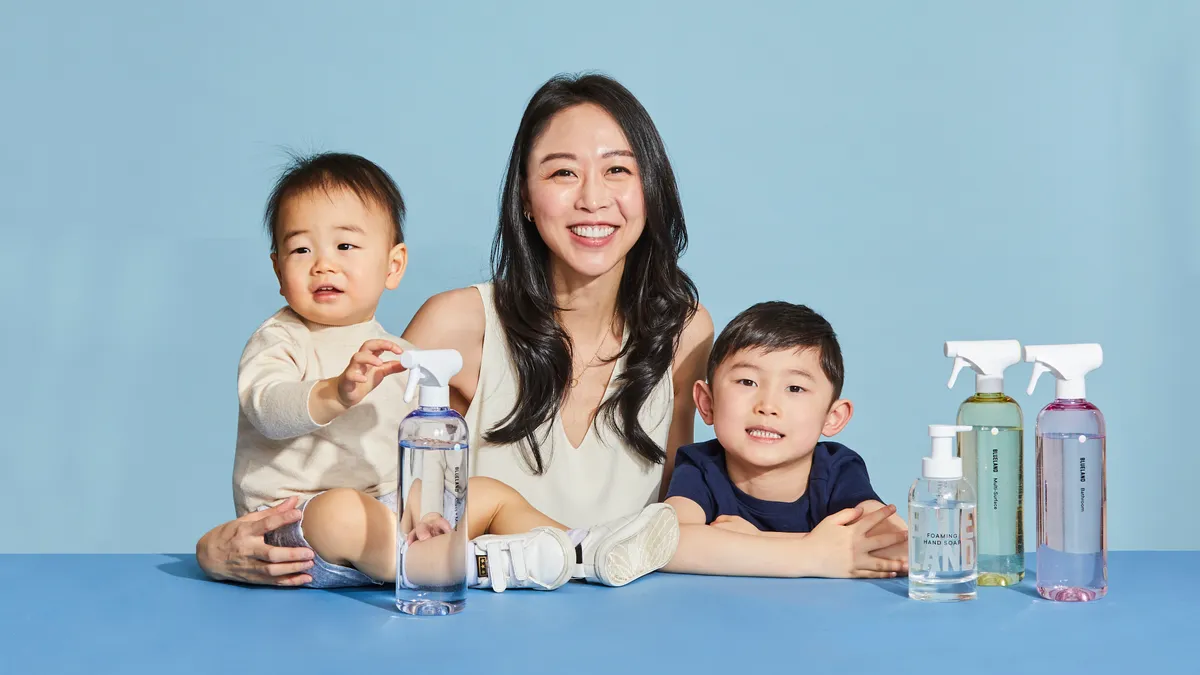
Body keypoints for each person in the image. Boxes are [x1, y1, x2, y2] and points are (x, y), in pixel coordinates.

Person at [196, 73, 711, 587]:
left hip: (617, 623)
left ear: (652, 187)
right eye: (562, 174)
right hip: (466, 620)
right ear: (525, 199)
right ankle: (501, 564)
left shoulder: (685, 334)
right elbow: (353, 464)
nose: (593, 198)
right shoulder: (456, 325)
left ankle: (580, 555)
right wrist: (213, 550)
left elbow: (672, 516)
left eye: (618, 169)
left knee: (488, 496)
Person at [662, 302, 910, 578]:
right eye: (747, 382)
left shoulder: (837, 469)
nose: (768, 405)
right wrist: (813, 553)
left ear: (833, 417)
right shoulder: (701, 466)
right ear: (707, 404)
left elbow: (898, 548)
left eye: (795, 388)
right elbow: (666, 544)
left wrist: (752, 543)